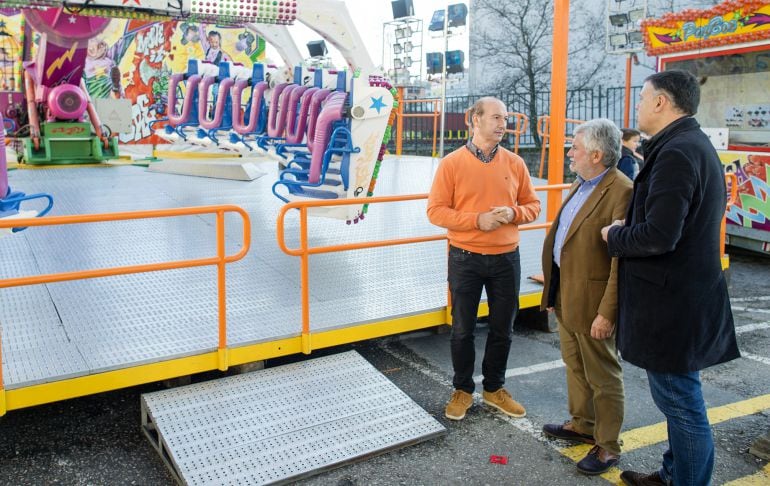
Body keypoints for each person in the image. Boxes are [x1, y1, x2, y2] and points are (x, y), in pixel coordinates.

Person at [601, 70, 740, 486]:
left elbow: (661, 236)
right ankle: (673, 473)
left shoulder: (677, 152)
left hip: (673, 306)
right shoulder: (687, 145)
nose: (638, 106)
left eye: (642, 98)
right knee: (679, 399)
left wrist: (616, 234)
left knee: (680, 404)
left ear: (661, 102)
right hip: (683, 300)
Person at [427, 96, 541, 421]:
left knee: (503, 328)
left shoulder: (516, 163)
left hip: (507, 259)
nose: (503, 124)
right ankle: (462, 389)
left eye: (504, 118)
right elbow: (435, 211)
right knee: (462, 329)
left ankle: (494, 389)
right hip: (465, 258)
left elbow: (533, 206)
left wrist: (513, 213)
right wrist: (478, 220)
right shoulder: (451, 164)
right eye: (495, 117)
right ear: (474, 119)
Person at [541, 119, 632, 475]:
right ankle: (583, 424)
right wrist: (552, 290)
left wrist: (607, 312)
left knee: (603, 375)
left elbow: (619, 260)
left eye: (574, 148)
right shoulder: (583, 184)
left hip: (594, 302)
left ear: (596, 154)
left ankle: (607, 446)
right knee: (575, 364)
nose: (569, 152)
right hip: (567, 293)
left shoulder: (621, 190)